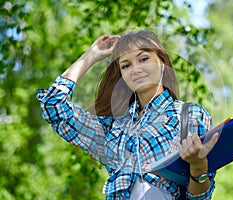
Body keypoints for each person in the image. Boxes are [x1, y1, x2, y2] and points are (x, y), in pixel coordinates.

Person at [36, 30, 219, 199]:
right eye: (126, 65)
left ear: (162, 62)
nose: (135, 69)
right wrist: (91, 55)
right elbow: (53, 104)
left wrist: (197, 166)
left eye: (143, 59)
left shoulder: (189, 115)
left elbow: (200, 197)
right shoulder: (112, 129)